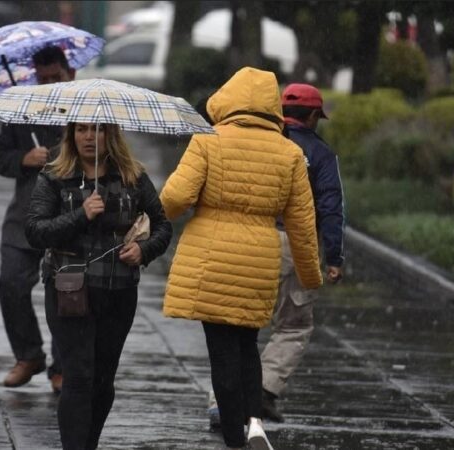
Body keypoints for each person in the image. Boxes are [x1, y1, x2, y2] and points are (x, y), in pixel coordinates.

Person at [160, 67, 323, 450]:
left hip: (211, 258)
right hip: (259, 259)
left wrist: (155, 217)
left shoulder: (208, 140)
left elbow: (176, 197)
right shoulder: (290, 153)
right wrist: (310, 275)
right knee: (248, 345)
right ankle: (254, 425)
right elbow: (302, 223)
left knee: (221, 353)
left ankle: (234, 437)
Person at [25, 122, 171, 450]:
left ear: (111, 135)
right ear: (71, 135)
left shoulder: (133, 176)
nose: (89, 137)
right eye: (81, 130)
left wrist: (144, 250)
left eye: (98, 130)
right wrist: (82, 214)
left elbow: (162, 225)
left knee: (103, 380)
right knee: (78, 376)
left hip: (118, 290)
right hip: (69, 288)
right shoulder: (54, 177)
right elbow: (35, 231)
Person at [0, 46, 75, 393]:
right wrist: (24, 158)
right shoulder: (22, 111)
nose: (50, 83)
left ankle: (63, 366)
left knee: (68, 292)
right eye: (43, 78)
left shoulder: (86, 112)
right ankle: (28, 355)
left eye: (56, 77)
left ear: (70, 74)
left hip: (70, 218)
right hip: (24, 217)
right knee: (10, 284)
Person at [259, 83, 345, 421]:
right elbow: (331, 207)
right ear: (312, 117)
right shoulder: (321, 154)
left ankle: (222, 401)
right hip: (297, 244)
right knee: (293, 325)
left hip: (254, 239)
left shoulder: (262, 142)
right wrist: (335, 257)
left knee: (237, 324)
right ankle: (264, 390)